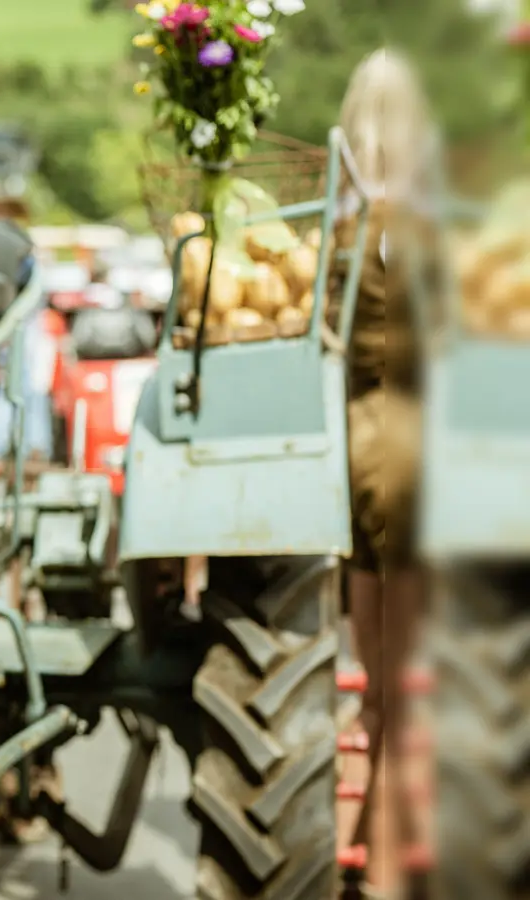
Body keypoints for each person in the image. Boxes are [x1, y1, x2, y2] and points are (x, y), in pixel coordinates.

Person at [330, 47, 434, 897]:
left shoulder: (339, 220)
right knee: (405, 683)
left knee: (377, 680)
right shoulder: (412, 226)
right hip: (406, 457)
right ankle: (389, 871)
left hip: (350, 457)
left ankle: (370, 856)